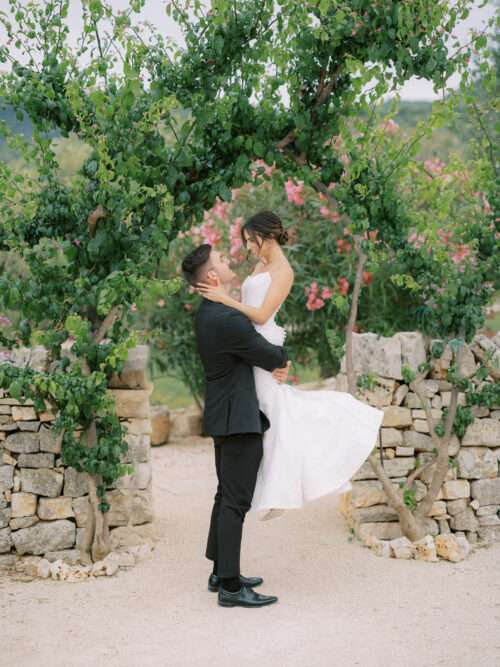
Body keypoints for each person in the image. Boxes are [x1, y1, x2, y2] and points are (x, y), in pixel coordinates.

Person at [196, 210, 385, 518]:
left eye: (250, 241)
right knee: (265, 413)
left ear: (265, 235)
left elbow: (260, 314)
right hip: (248, 343)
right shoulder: (261, 264)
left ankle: (280, 490)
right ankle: (275, 490)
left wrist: (223, 299)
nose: (248, 248)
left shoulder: (283, 271)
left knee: (273, 411)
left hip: (261, 338)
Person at [181, 243, 290, 608]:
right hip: (239, 419)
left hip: (223, 414)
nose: (228, 262)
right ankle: (230, 587)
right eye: (222, 261)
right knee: (235, 502)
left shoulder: (209, 313)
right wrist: (281, 357)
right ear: (212, 276)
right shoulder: (227, 319)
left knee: (224, 495)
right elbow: (272, 355)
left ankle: (220, 571)